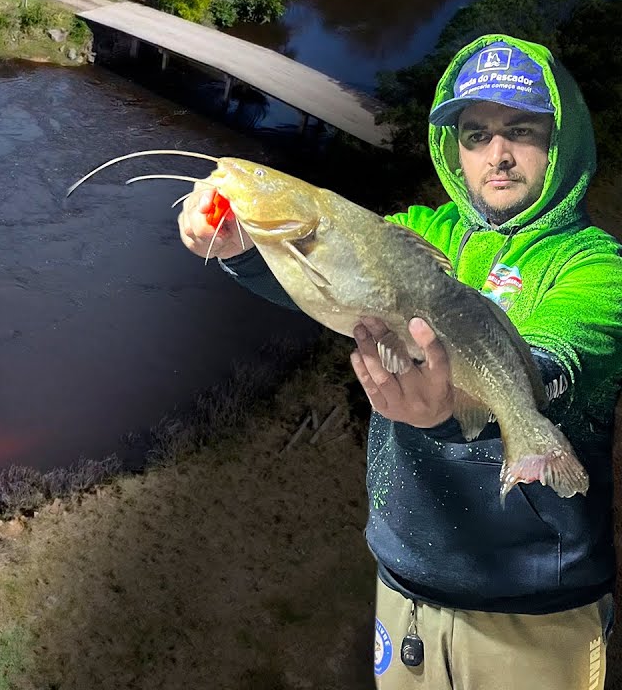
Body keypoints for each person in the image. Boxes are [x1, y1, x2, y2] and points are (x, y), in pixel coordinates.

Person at [177, 33, 622, 688]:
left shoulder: (596, 262)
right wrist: (242, 246)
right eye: (475, 134)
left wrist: (454, 411)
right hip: (403, 592)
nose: (497, 155)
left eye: (521, 131)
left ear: (561, 141)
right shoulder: (419, 232)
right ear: (454, 149)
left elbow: (560, 361)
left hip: (530, 614)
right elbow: (328, 286)